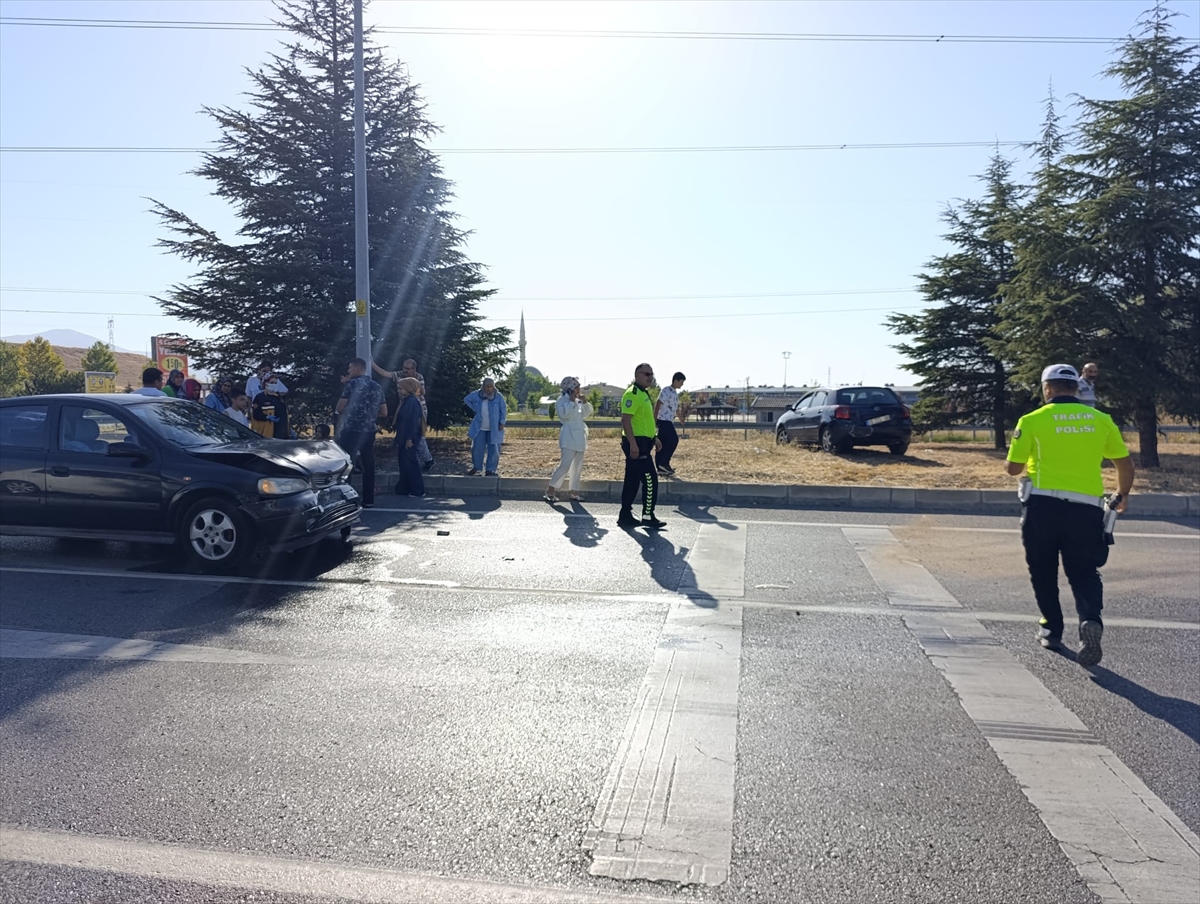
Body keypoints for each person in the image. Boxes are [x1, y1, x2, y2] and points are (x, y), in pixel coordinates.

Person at [1005, 363, 1134, 667]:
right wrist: (1121, 495)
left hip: (1042, 508)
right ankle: (1090, 619)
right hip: (1086, 508)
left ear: (1046, 388)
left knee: (1043, 569)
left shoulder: (1032, 420)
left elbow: (1013, 468)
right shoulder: (1101, 420)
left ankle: (1051, 629)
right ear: (1076, 388)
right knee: (1084, 570)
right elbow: (1125, 465)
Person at [618, 364, 665, 530]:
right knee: (650, 479)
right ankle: (647, 515)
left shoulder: (644, 394)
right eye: (646, 374)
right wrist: (633, 444)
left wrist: (654, 438)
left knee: (632, 480)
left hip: (644, 442)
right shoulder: (633, 393)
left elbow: (644, 420)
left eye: (652, 374)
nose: (650, 377)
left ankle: (625, 515)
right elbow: (626, 420)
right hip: (636, 444)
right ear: (637, 375)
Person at [336, 358, 387, 508]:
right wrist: (369, 415)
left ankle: (348, 499)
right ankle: (369, 499)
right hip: (369, 430)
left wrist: (352, 413)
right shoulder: (377, 387)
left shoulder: (351, 385)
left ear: (358, 369)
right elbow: (384, 412)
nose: (348, 371)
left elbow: (340, 408)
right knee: (368, 464)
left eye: (350, 368)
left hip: (351, 430)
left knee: (348, 464)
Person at [374, 357, 434, 470]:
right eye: (404, 368)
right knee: (404, 432)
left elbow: (421, 392)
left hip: (418, 408)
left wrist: (410, 384)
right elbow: (385, 374)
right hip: (404, 406)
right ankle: (408, 456)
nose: (405, 371)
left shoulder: (418, 377)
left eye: (408, 369)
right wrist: (372, 363)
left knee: (418, 435)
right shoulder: (400, 374)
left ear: (414, 369)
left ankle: (427, 459)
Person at [545, 376, 593, 503]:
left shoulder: (578, 401)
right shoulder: (562, 400)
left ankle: (574, 491)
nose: (579, 389)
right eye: (576, 387)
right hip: (568, 436)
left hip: (580, 436)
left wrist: (585, 402)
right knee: (564, 465)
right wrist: (571, 402)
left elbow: (586, 414)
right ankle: (550, 491)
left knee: (577, 466)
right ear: (570, 388)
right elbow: (564, 415)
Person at [464, 378, 506, 476]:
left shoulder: (498, 396)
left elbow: (503, 410)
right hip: (480, 427)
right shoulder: (477, 395)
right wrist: (475, 408)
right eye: (487, 386)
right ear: (483, 386)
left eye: (491, 386)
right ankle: (477, 467)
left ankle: (490, 470)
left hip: (494, 428)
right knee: (477, 448)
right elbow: (466, 399)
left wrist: (502, 422)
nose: (489, 389)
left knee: (494, 449)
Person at [393, 377, 425, 497]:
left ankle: (418, 490)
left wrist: (409, 438)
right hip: (405, 436)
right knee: (405, 463)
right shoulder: (408, 400)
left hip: (409, 437)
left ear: (408, 388)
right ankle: (404, 488)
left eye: (401, 388)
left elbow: (412, 421)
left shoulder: (412, 401)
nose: (399, 391)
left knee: (411, 463)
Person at [654, 371, 686, 477]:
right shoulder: (666, 390)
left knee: (661, 443)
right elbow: (658, 404)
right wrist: (654, 419)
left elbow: (675, 408)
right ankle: (664, 463)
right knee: (673, 440)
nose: (682, 384)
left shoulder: (675, 394)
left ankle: (660, 468)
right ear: (676, 380)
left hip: (669, 420)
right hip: (663, 420)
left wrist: (680, 418)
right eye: (681, 382)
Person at [251, 374, 289, 439]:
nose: (274, 384)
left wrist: (289, 430)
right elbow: (256, 414)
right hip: (267, 434)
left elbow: (284, 415)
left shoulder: (279, 398)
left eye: (275, 383)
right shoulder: (260, 397)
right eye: (271, 382)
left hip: (282, 434)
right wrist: (267, 417)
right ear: (265, 383)